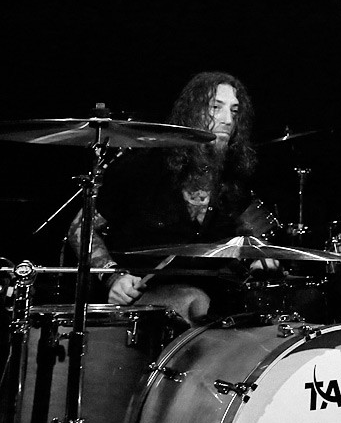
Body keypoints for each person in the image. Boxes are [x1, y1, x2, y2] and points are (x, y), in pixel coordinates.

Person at [67, 71, 275, 325]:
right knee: (194, 300)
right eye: (215, 108)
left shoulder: (232, 178)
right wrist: (112, 277)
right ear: (192, 112)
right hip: (142, 301)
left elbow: (247, 234)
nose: (228, 120)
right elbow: (80, 228)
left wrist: (258, 257)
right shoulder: (142, 167)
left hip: (214, 300)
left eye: (234, 111)